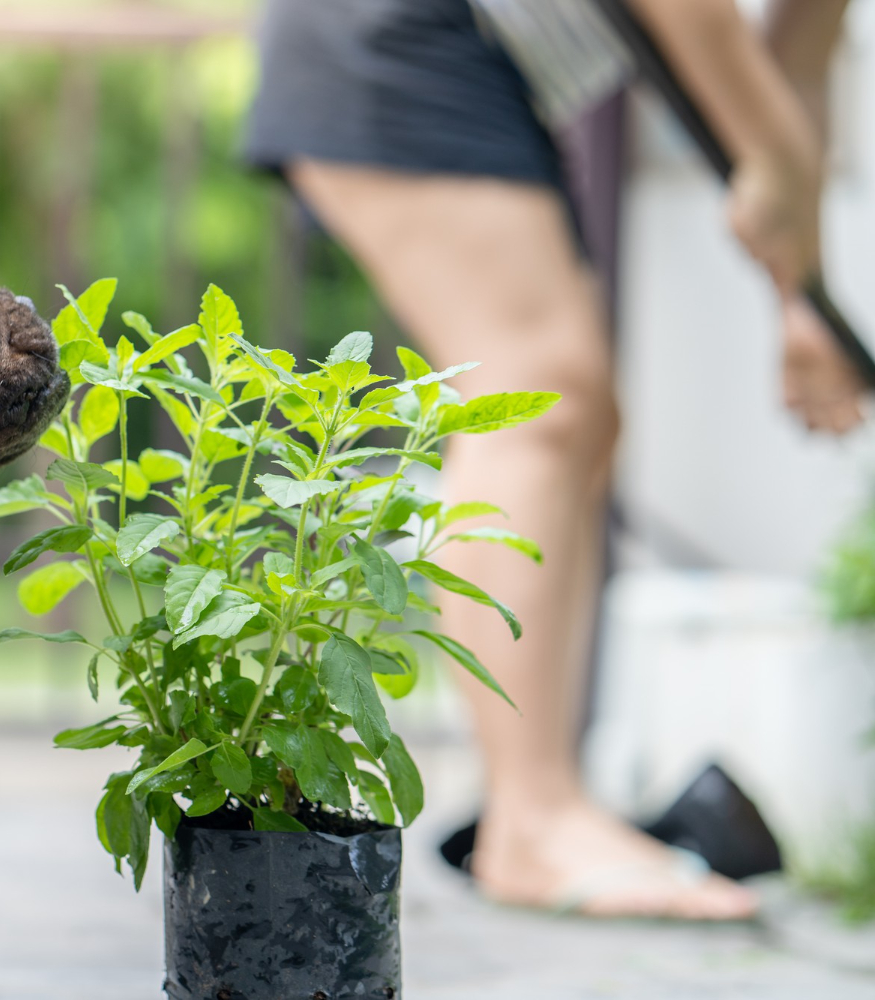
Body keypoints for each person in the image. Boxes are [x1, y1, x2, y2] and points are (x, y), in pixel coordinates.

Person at [247, 0, 862, 920]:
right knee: (539, 395)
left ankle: (542, 805)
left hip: (470, 53)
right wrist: (771, 156)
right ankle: (531, 822)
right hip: (394, 27)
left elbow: (797, 58)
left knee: (573, 409)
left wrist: (801, 301)